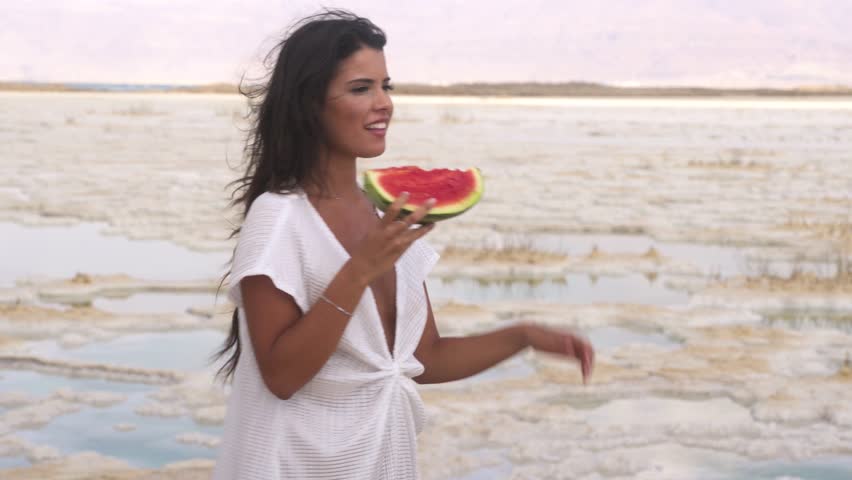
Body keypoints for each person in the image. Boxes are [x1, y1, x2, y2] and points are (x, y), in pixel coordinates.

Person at [211, 9, 595, 480]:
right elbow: (282, 376)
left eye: (385, 86)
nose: (384, 103)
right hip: (293, 462)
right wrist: (360, 270)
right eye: (361, 88)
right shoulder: (279, 216)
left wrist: (523, 337)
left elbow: (422, 358)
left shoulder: (386, 217)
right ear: (309, 103)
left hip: (376, 460)